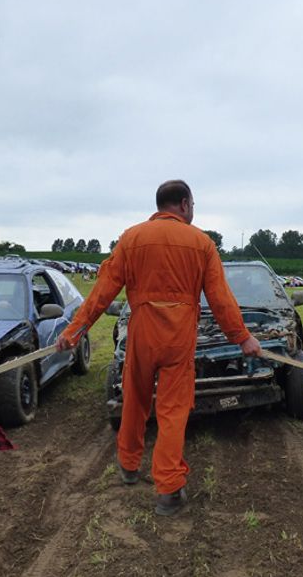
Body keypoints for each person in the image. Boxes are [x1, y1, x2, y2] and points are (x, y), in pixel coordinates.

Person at [56, 180, 262, 516]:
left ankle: (128, 466)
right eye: (193, 204)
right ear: (183, 204)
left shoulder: (131, 238)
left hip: (142, 332)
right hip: (179, 338)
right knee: (173, 411)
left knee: (135, 400)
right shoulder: (202, 244)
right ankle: (168, 492)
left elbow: (102, 292)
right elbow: (220, 299)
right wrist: (241, 337)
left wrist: (75, 331)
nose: (193, 210)